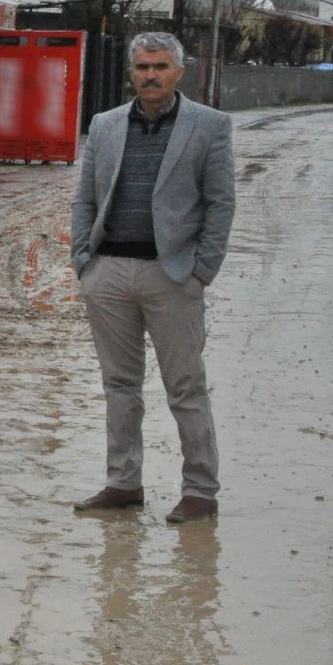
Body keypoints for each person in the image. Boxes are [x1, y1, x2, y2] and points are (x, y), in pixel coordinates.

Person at [71, 32, 235, 524]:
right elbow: (85, 197)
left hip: (174, 276)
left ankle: (200, 491)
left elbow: (221, 203)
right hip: (109, 273)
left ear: (179, 72)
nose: (151, 75)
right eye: (142, 66)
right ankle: (123, 483)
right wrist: (85, 262)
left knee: (185, 387)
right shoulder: (104, 125)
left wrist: (201, 272)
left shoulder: (209, 126)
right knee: (119, 384)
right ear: (131, 72)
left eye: (160, 66)